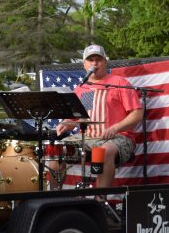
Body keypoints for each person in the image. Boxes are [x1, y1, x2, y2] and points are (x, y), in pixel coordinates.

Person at [54, 44, 143, 188]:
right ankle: (53, 198)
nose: (94, 63)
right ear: (84, 65)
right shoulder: (81, 88)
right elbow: (76, 116)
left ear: (105, 62)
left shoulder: (120, 83)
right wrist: (66, 122)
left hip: (119, 137)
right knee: (55, 150)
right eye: (90, 60)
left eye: (98, 59)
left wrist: (116, 128)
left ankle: (100, 200)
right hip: (87, 137)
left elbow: (137, 113)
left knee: (104, 151)